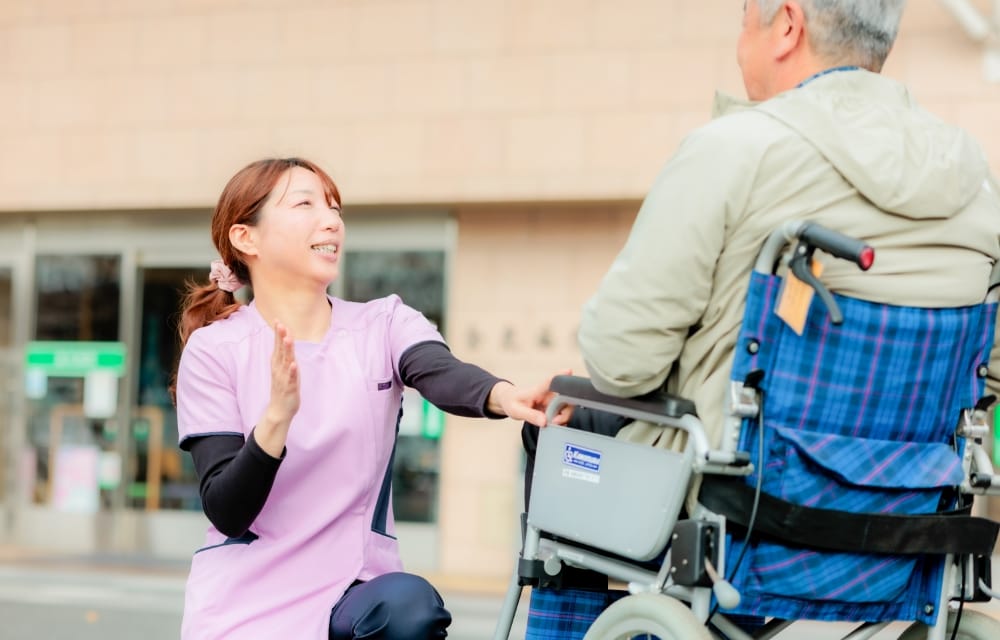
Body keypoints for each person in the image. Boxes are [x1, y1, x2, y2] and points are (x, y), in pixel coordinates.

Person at [519, 0, 1000, 636]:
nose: (739, 39)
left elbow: (621, 359)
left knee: (563, 420)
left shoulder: (734, 150)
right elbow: (986, 373)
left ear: (788, 26)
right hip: (913, 507)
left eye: (745, 17)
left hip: (745, 505)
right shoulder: (974, 182)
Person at [173, 157, 569, 640]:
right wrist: (276, 419)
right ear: (245, 238)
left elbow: (437, 370)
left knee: (410, 609)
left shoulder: (382, 324)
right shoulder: (215, 350)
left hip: (354, 589)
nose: (331, 219)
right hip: (246, 605)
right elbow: (227, 510)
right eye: (305, 204)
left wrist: (504, 396)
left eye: (335, 207)